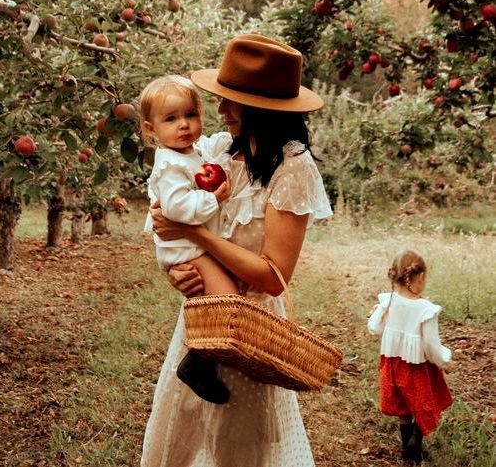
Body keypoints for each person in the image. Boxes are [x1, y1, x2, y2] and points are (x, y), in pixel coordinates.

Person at [141, 33, 333, 467]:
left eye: (232, 101)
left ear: (263, 109)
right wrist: (177, 272)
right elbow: (165, 216)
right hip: (203, 322)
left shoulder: (292, 169)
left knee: (242, 444)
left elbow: (273, 276)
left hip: (251, 330)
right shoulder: (216, 151)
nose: (220, 110)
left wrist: (200, 239)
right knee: (189, 435)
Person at [139, 74, 238, 404]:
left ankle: (204, 358)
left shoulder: (192, 152)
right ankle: (198, 360)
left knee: (222, 296)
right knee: (226, 297)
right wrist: (214, 200)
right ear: (150, 129)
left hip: (192, 243)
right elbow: (176, 208)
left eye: (190, 115)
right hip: (184, 248)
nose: (183, 125)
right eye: (171, 119)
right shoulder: (168, 163)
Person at [367, 249, 454, 464]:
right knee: (423, 404)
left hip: (393, 367)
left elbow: (374, 328)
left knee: (403, 407)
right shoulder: (426, 309)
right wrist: (445, 361)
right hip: (418, 369)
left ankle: (407, 449)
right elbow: (431, 345)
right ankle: (415, 445)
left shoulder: (388, 302)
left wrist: (379, 310)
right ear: (421, 276)